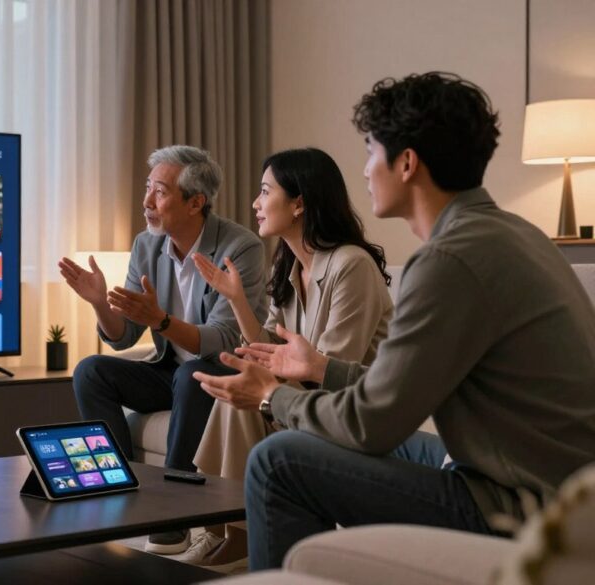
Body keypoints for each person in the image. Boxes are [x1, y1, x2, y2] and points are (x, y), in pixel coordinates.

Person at [192, 72, 595, 571]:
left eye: (370, 152)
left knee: (280, 460)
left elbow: (370, 426)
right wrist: (321, 368)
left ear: (406, 163)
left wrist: (274, 396)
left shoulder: (450, 259)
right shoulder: (516, 235)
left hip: (520, 505)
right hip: (541, 482)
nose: (364, 171)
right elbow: (398, 390)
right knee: (303, 435)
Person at [177, 147, 394, 570]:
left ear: (299, 203)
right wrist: (238, 299)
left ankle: (233, 535)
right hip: (304, 396)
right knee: (239, 386)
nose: (255, 204)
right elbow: (268, 351)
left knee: (244, 393)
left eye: (264, 192)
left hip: (347, 406)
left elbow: (329, 368)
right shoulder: (292, 265)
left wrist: (265, 381)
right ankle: (228, 532)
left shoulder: (351, 266)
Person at [59, 144, 268, 555]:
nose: (146, 202)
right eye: (148, 188)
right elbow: (123, 336)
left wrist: (163, 323)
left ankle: (173, 518)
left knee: (193, 376)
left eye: (159, 191)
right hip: (170, 370)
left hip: (221, 369)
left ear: (196, 203)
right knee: (91, 371)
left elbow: (226, 338)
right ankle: (119, 495)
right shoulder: (147, 245)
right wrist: (101, 303)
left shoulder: (240, 248)